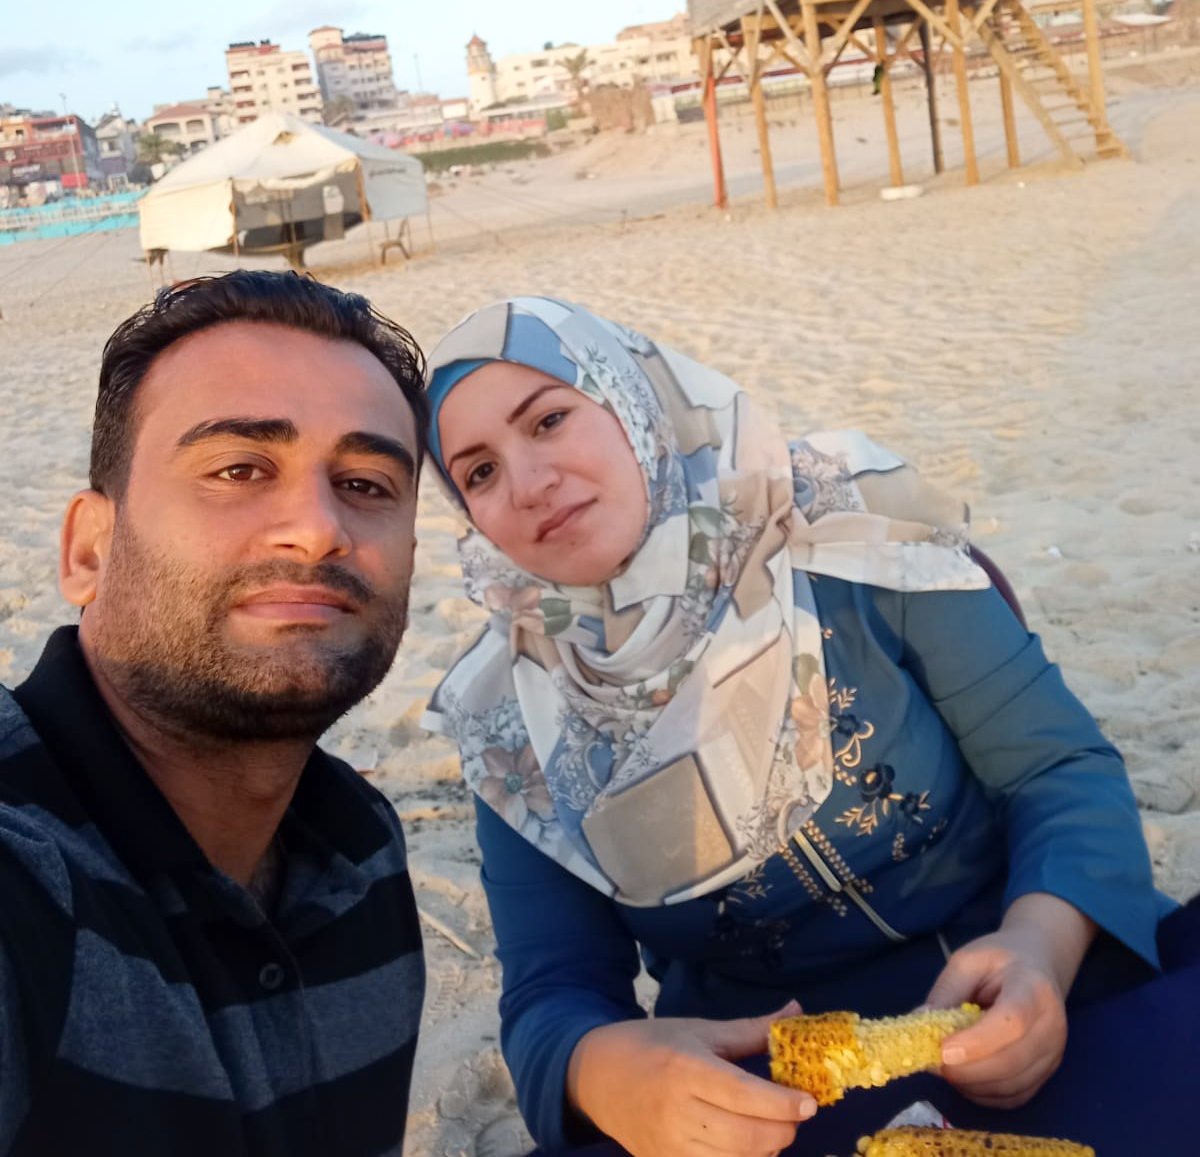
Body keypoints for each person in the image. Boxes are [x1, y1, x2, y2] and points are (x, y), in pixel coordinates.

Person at [421, 297, 1191, 1157]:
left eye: (551, 419)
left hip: (1034, 987)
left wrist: (1040, 948)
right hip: (763, 1094)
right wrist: (605, 1069)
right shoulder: (511, 720)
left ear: (633, 402)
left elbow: (1060, 770)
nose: (528, 485)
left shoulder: (845, 537)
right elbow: (553, 988)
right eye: (478, 472)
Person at [0, 270, 428, 1155]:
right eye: (239, 469)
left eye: (367, 484)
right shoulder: (24, 886)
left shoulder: (363, 849)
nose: (316, 529)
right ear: (89, 547)